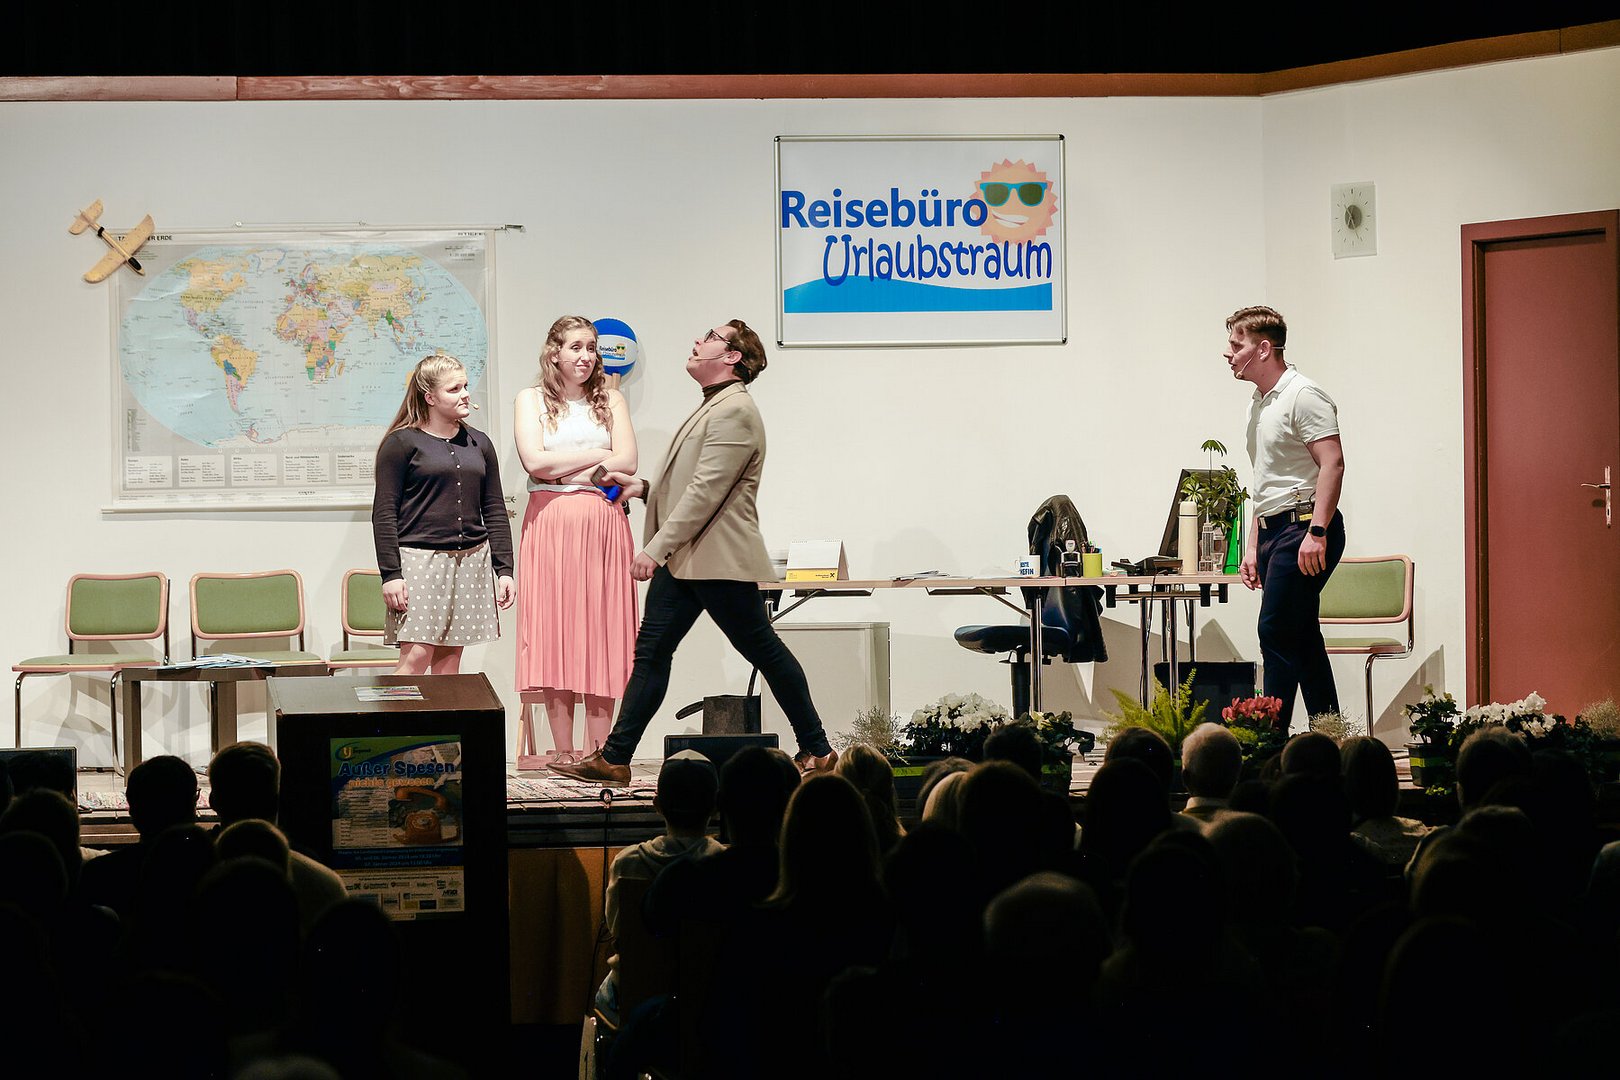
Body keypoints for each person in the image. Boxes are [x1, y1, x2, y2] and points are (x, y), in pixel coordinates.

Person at [550, 320, 837, 785]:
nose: (698, 341)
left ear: (732, 357)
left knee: (762, 649)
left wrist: (655, 549)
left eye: (710, 337)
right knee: (654, 651)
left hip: (715, 558)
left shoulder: (735, 410)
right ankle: (616, 757)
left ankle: (818, 749)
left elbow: (707, 492)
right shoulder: (716, 405)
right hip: (691, 558)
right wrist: (642, 488)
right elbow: (694, 484)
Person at [513, 316, 639, 765]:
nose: (586, 356)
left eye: (591, 347)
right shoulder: (530, 399)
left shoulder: (612, 398)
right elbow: (535, 463)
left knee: (602, 632)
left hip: (603, 522)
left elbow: (628, 461)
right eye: (576, 347)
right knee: (554, 633)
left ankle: (600, 753)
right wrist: (599, 456)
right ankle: (564, 751)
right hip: (550, 522)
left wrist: (564, 466)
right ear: (555, 352)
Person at [1225, 306, 1346, 731]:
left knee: (1275, 631)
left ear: (1263, 349)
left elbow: (1332, 463)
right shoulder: (1258, 404)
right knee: (1301, 636)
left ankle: (1270, 740)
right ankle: (1329, 735)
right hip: (1274, 531)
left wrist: (1318, 531)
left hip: (1305, 527)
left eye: (1236, 344)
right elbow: (1265, 482)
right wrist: (1252, 546)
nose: (1228, 353)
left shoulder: (1303, 395)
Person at [372, 352, 515, 675]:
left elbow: (494, 508)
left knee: (450, 662)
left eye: (465, 386)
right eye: (454, 389)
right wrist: (391, 574)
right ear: (430, 397)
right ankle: (396, 712)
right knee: (416, 657)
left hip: (471, 561)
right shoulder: (401, 444)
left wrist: (504, 568)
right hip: (420, 562)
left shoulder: (479, 443)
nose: (465, 394)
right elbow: (384, 513)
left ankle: (443, 712)